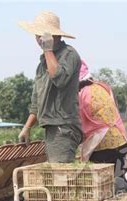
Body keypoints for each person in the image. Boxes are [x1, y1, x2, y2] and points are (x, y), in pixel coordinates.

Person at [18, 11, 82, 163]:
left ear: (56, 36)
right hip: (52, 127)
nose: (40, 40)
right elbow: (37, 102)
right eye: (37, 36)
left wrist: (48, 49)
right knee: (57, 177)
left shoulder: (69, 54)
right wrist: (27, 128)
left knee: (60, 179)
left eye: (44, 36)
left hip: (64, 127)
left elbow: (59, 78)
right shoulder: (42, 65)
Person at [78, 60, 127, 177]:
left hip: (102, 145)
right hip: (120, 139)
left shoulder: (81, 94)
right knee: (119, 179)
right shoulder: (102, 87)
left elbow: (78, 124)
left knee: (103, 183)